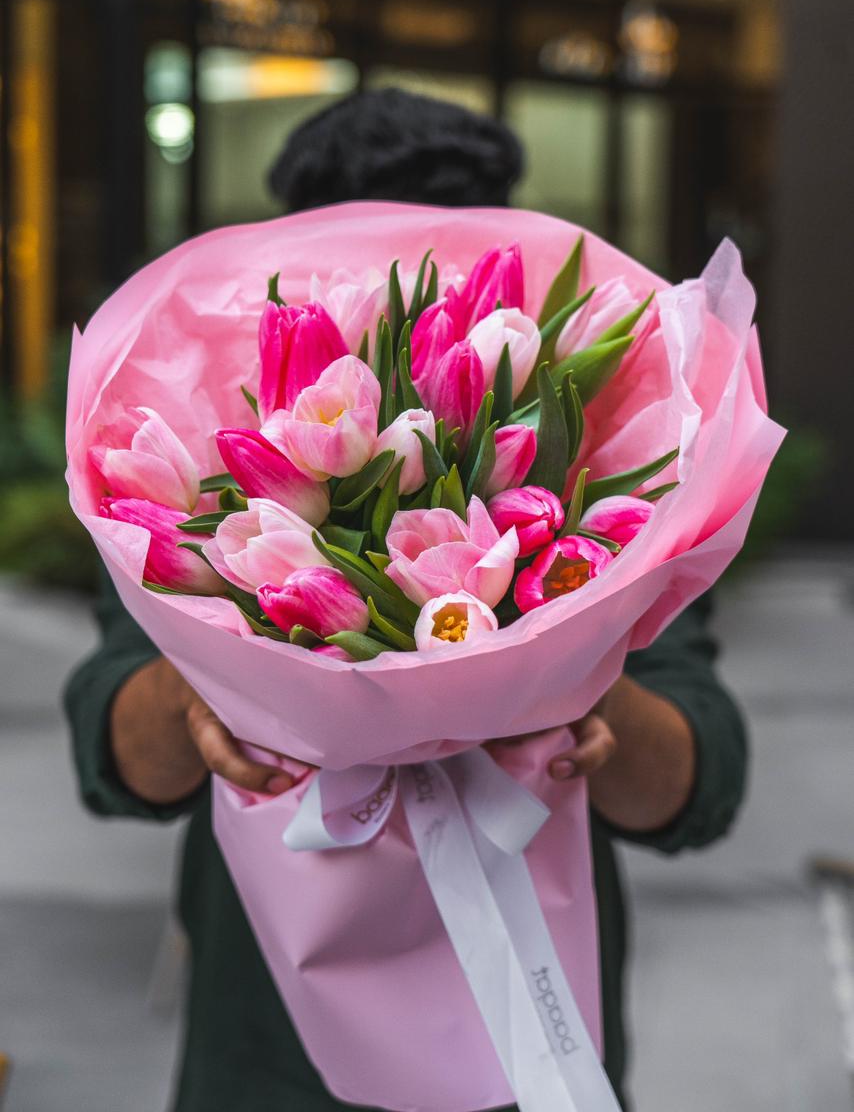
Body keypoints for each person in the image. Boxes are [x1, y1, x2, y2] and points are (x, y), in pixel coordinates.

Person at [65, 87, 748, 1112]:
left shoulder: (615, 471)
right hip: (267, 1052)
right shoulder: (202, 455)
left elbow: (701, 780)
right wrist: (215, 691)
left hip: (533, 1044)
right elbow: (108, 749)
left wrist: (575, 688)